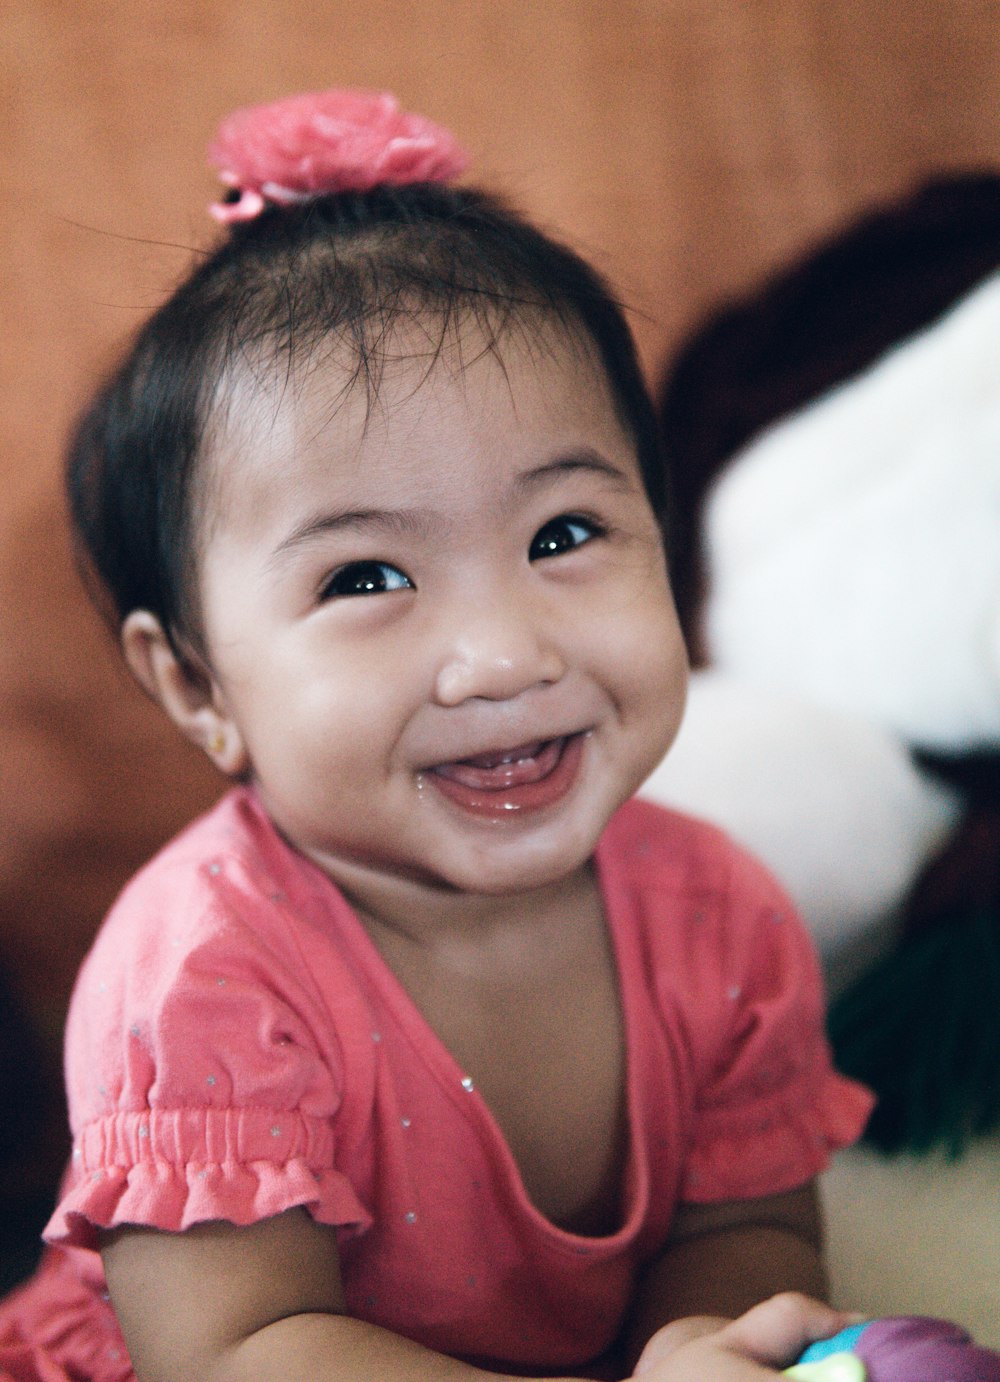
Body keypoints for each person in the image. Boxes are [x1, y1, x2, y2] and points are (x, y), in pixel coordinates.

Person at [0, 89, 871, 1382]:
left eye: (563, 535)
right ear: (196, 687)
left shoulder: (719, 917)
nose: (507, 653)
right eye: (364, 578)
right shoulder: (204, 976)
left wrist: (706, 1338)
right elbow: (238, 1350)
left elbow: (744, 1225)